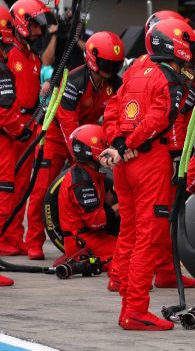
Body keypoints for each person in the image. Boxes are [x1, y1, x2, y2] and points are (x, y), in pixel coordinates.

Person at [101, 17, 195, 331]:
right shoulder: (171, 79)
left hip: (125, 164)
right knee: (149, 237)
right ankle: (135, 309)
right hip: (149, 161)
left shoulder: (134, 71)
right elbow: (160, 119)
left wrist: (117, 142)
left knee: (129, 230)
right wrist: (128, 143)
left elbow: (112, 108)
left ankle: (122, 285)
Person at [24, 31, 124, 260]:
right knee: (41, 188)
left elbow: (115, 117)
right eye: (107, 63)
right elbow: (68, 122)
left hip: (89, 139)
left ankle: (94, 234)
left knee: (98, 184)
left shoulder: (116, 84)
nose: (110, 69)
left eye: (115, 64)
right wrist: (80, 154)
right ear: (93, 60)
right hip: (58, 137)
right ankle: (34, 242)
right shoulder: (74, 80)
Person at [0, 0, 54, 256]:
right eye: (35, 25)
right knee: (5, 187)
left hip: (27, 127)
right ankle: (4, 238)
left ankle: (13, 237)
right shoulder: (9, 54)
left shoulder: (33, 57)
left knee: (21, 187)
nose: (39, 30)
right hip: (9, 129)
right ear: (22, 22)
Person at [58, 124, 117, 278]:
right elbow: (96, 221)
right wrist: (125, 206)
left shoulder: (90, 173)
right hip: (82, 243)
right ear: (95, 149)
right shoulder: (81, 180)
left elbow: (106, 202)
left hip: (93, 237)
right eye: (105, 145)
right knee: (130, 254)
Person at [0, 6, 27, 281]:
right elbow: (5, 112)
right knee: (3, 199)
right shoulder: (2, 72)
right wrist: (21, 131)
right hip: (3, 142)